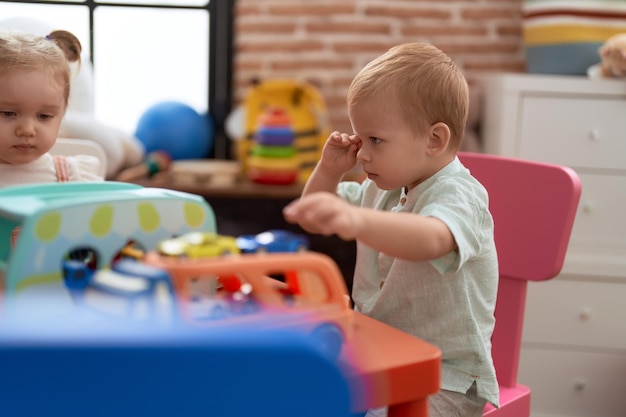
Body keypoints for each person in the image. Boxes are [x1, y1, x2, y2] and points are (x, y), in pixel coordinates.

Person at [283, 42, 499, 417]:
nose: (363, 154)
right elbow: (311, 214)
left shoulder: (459, 193)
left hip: (442, 379)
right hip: (378, 359)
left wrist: (357, 220)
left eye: (376, 140)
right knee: (295, 392)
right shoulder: (380, 187)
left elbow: (431, 238)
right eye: (360, 139)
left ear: (434, 140)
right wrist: (329, 171)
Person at [0, 29, 103, 186]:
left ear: (62, 114)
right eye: (8, 113)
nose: (27, 130)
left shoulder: (72, 176)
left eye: (44, 116)